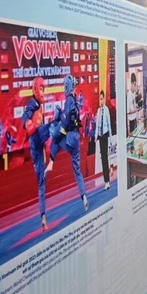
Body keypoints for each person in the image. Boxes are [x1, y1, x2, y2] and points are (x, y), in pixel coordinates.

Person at [46, 75, 89, 214]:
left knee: (55, 138)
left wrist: (58, 120)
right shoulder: (75, 100)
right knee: (77, 171)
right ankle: (84, 196)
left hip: (70, 138)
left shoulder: (69, 101)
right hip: (76, 139)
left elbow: (65, 123)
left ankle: (51, 162)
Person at [21, 77, 52, 231]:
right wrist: (27, 123)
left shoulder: (41, 105)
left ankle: (43, 218)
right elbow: (26, 115)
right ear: (35, 89)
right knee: (54, 125)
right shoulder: (32, 103)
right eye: (40, 88)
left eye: (43, 89)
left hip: (37, 146)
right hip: (35, 139)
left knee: (42, 183)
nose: (42, 92)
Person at [96, 90, 113, 190]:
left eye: (102, 99)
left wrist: (110, 137)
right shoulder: (98, 111)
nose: (101, 101)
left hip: (106, 135)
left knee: (105, 158)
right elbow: (98, 125)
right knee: (102, 158)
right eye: (100, 99)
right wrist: (95, 136)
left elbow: (109, 124)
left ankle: (108, 181)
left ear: (104, 99)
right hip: (100, 136)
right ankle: (105, 181)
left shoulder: (106, 110)